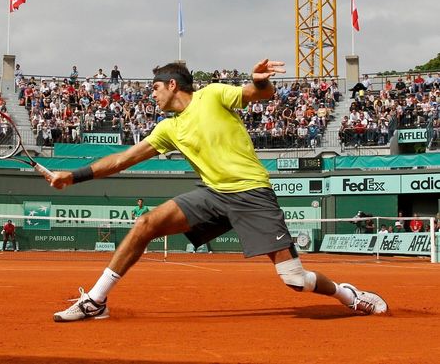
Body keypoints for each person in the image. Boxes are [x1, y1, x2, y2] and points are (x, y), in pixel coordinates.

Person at [49, 59, 388, 322]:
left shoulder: (211, 94)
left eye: (154, 88)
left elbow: (260, 95)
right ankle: (96, 301)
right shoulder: (168, 128)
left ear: (172, 84)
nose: (150, 95)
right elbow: (125, 159)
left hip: (252, 193)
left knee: (295, 280)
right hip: (212, 194)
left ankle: (347, 294)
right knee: (145, 224)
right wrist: (74, 176)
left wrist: (259, 80)